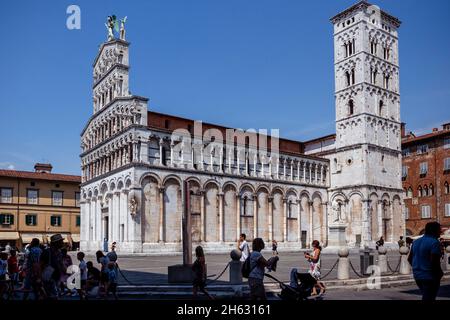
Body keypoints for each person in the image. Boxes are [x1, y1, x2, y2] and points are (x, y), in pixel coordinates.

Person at [408, 221, 443, 301]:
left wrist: (417, 267)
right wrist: (439, 273)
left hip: (417, 275)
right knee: (429, 298)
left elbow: (409, 259)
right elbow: (435, 261)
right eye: (439, 229)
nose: (440, 231)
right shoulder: (434, 242)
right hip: (430, 276)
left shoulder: (416, 242)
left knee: (426, 296)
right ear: (433, 230)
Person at [40, 234, 65, 299]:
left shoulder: (59, 252)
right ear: (56, 243)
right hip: (49, 278)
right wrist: (39, 278)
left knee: (53, 296)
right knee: (53, 296)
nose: (62, 243)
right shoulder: (47, 252)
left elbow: (61, 264)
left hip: (56, 278)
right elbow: (40, 265)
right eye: (61, 241)